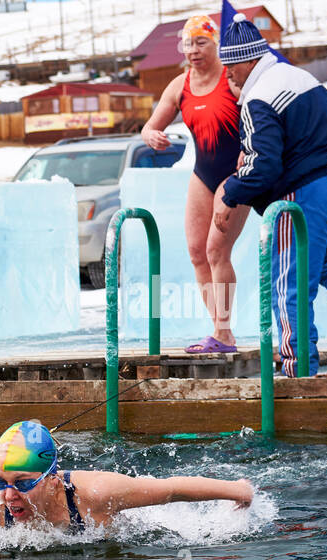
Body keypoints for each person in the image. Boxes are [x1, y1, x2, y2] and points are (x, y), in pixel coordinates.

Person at [214, 13, 327, 376]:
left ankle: (297, 371)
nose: (227, 74)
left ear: (248, 60)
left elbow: (264, 165)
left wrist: (230, 192)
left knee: (289, 281)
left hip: (308, 192)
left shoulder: (257, 97)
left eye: (231, 65)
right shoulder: (300, 77)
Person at [141, 14, 247, 354]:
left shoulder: (230, 80)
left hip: (235, 175)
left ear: (216, 44)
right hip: (203, 174)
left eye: (201, 42)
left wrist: (252, 153)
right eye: (188, 44)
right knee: (196, 253)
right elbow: (149, 126)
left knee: (217, 251)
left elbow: (258, 120)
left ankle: (224, 331)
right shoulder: (179, 85)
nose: (194, 50)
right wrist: (152, 135)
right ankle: (220, 332)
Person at [0, 421, 253, 530]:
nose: (10, 495)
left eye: (23, 483)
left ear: (52, 480)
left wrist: (239, 491)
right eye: (2, 481)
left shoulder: (97, 494)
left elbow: (171, 489)